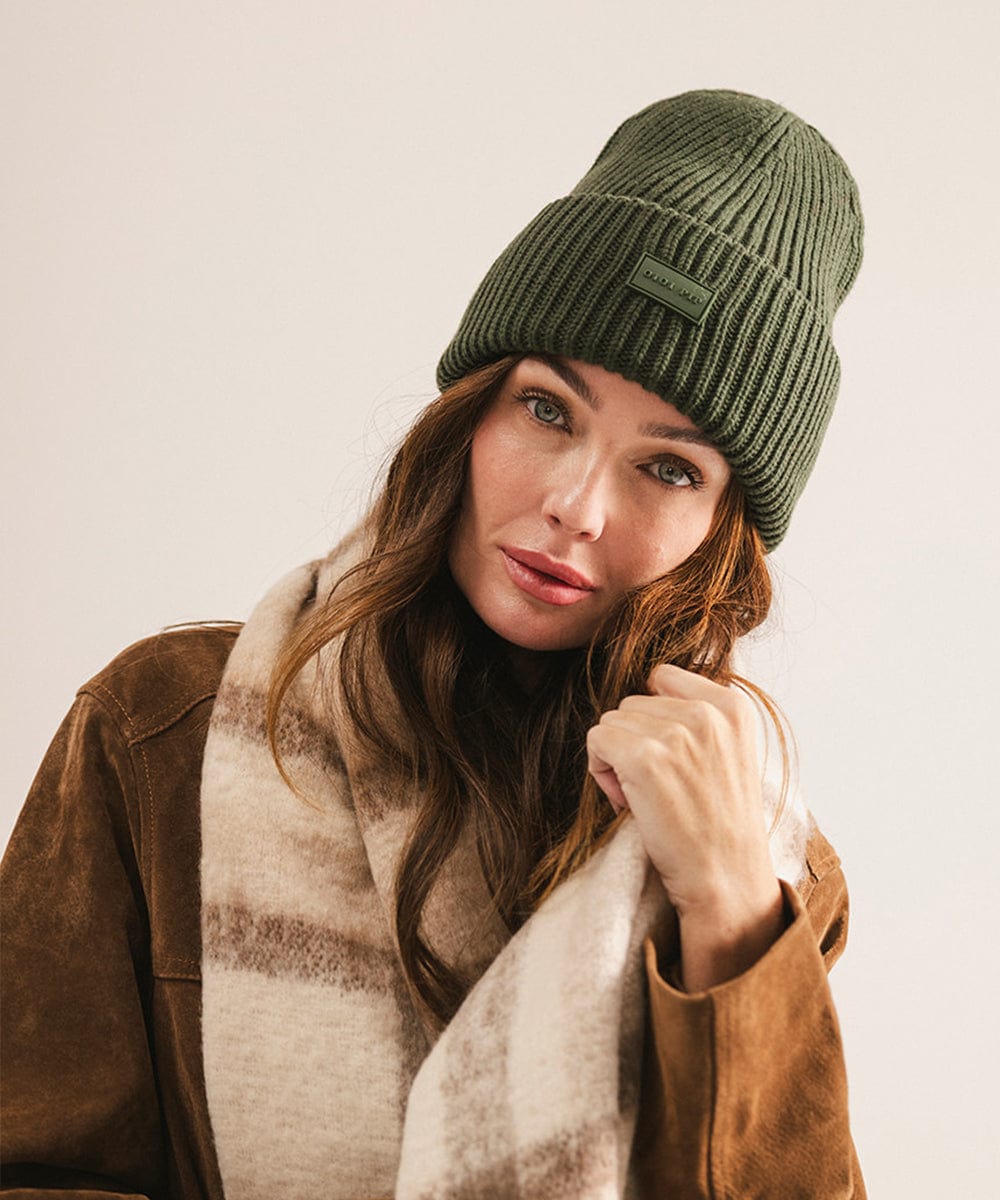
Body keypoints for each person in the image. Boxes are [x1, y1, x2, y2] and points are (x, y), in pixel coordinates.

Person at [1, 89, 866, 1198]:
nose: (574, 506)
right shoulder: (160, 731)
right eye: (547, 409)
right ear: (469, 411)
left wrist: (733, 909)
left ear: (719, 535)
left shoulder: (762, 860)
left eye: (668, 467)